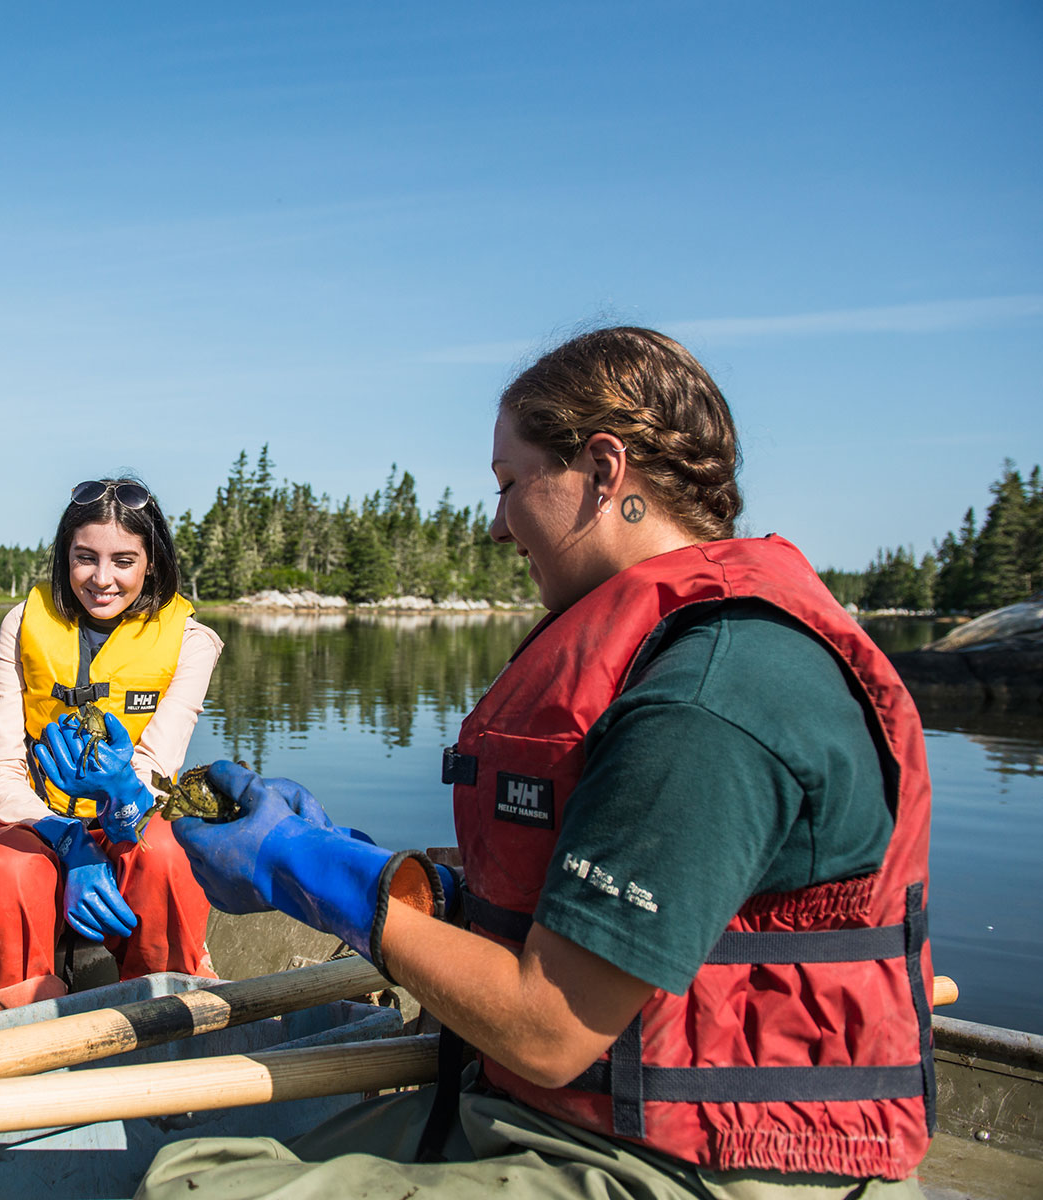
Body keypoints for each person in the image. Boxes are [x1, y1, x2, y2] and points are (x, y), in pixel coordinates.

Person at [143, 328, 933, 1199]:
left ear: (603, 472)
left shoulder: (709, 695)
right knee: (196, 1162)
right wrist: (376, 869)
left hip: (691, 1166)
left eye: (510, 484)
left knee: (193, 1189)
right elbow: (575, 910)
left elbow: (548, 1026)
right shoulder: (671, 655)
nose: (494, 523)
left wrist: (302, 870)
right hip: (559, 1113)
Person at [0, 477, 224, 1012]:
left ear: (151, 561)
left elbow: (155, 767)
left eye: (123, 561)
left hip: (129, 807)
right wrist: (68, 840)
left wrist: (121, 792)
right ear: (65, 557)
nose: (102, 579)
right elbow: (0, 770)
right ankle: (15, 1028)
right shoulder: (21, 623)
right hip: (32, 817)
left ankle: (167, 1011)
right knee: (10, 874)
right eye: (85, 558)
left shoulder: (192, 642)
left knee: (169, 858)